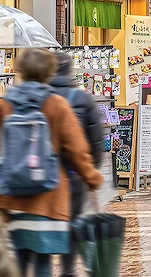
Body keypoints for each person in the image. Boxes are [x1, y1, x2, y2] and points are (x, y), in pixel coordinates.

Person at [0, 48, 104, 277]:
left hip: (13, 196)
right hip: (48, 195)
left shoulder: (5, 103)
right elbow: (77, 149)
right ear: (49, 72)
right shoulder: (56, 104)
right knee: (42, 258)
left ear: (20, 71)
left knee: (18, 256)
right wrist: (92, 177)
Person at [49, 54, 107, 277]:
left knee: (40, 224)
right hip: (74, 176)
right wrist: (91, 172)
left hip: (41, 174)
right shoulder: (82, 99)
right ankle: (67, 270)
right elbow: (95, 140)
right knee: (71, 223)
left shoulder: (39, 96)